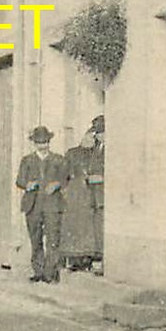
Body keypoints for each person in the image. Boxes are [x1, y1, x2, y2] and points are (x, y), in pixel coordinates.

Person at [16, 126, 67, 283]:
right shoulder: (27, 160)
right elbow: (19, 181)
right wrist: (27, 184)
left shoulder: (59, 160)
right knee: (35, 239)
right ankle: (38, 271)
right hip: (33, 205)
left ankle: (50, 274)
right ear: (34, 143)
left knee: (53, 239)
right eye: (39, 142)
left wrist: (57, 184)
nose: (42, 146)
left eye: (45, 142)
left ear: (49, 142)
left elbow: (65, 178)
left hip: (52, 205)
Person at [61, 115, 105, 271]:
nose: (96, 137)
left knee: (96, 230)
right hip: (82, 196)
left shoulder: (102, 150)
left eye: (98, 134)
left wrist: (97, 178)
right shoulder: (76, 153)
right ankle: (79, 260)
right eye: (94, 134)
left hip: (96, 196)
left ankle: (94, 260)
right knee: (81, 228)